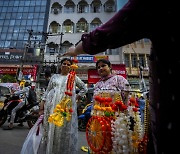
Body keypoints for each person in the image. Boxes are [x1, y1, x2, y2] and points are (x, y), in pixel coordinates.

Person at [64, 1, 178, 153]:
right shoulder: (97, 85)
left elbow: (127, 99)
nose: (100, 69)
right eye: (98, 68)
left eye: (103, 66)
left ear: (110, 68)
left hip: (117, 122)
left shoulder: (120, 80)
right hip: (99, 123)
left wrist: (121, 117)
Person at [38, 58, 88, 154]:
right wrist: (42, 106)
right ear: (60, 66)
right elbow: (47, 91)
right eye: (64, 64)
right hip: (52, 108)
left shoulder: (73, 77)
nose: (65, 65)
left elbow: (84, 88)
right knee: (52, 129)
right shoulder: (54, 77)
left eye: (68, 64)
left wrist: (76, 97)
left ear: (70, 67)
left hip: (66, 109)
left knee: (64, 131)